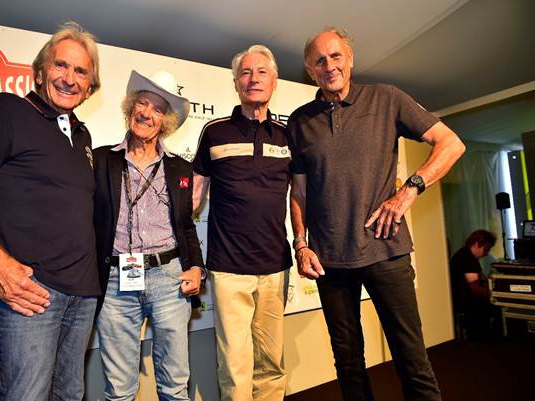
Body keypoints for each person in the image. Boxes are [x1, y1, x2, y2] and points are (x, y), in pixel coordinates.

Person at [287, 28, 466, 401]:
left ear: (350, 59)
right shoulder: (300, 120)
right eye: (320, 60)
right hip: (329, 261)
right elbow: (299, 190)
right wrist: (301, 243)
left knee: (411, 359)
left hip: (386, 252)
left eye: (336, 56)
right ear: (310, 69)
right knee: (348, 364)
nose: (329, 65)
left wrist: (409, 189)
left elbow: (451, 143)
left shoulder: (387, 98)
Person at [0, 22, 101, 401]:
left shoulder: (83, 136)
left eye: (81, 71)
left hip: (83, 296)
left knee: (70, 396)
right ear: (41, 70)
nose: (69, 78)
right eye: (60, 66)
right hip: (31, 294)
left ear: (91, 85)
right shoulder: (6, 110)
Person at [94, 69, 204, 401]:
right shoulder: (100, 160)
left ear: (166, 121)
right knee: (119, 389)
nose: (147, 113)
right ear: (131, 108)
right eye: (142, 103)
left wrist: (197, 267)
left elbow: (186, 226)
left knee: (175, 385)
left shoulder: (180, 169)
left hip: (169, 281)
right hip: (116, 283)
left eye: (157, 109)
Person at [192, 45, 291, 401]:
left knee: (271, 364)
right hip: (229, 268)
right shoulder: (214, 132)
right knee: (235, 367)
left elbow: (303, 196)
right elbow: (193, 198)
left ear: (274, 81)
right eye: (246, 73)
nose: (254, 79)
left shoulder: (287, 135)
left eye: (262, 72)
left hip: (276, 268)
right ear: (235, 83)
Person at [449, 230, 498, 339]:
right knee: (496, 309)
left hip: (464, 300)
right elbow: (476, 289)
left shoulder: (467, 255)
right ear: (477, 244)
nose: (487, 253)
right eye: (486, 249)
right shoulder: (467, 259)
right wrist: (495, 295)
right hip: (466, 303)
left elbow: (482, 279)